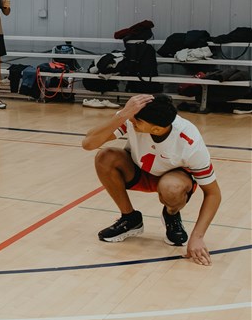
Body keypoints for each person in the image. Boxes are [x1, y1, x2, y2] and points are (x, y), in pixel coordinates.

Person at [82, 93, 220, 265]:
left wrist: (197, 237)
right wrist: (123, 114)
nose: (131, 121)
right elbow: (88, 143)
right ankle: (130, 218)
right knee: (105, 156)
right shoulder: (133, 116)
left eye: (136, 121)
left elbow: (213, 193)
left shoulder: (190, 142)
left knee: (172, 188)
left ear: (156, 129)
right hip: (139, 170)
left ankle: (171, 214)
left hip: (174, 179)